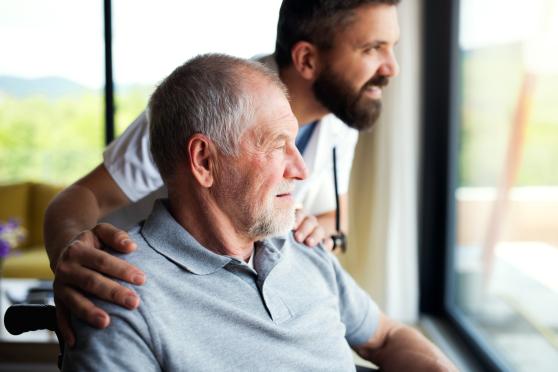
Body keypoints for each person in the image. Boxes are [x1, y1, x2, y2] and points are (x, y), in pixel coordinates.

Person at [62, 53, 455, 372]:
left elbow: (385, 337)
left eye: (296, 143)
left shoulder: (304, 245)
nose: (299, 170)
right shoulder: (120, 295)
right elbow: (75, 200)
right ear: (203, 161)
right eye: (277, 145)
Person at [45, 0, 401, 346]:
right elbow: (79, 198)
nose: (391, 68)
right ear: (307, 58)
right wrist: (70, 258)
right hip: (151, 298)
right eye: (373, 48)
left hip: (237, 295)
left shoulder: (340, 117)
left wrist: (310, 229)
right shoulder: (205, 107)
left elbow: (336, 220)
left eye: (392, 47)